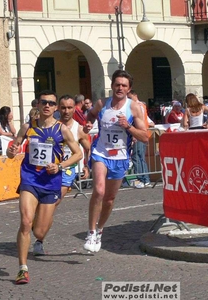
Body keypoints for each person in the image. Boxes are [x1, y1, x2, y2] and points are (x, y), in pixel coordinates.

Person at [7, 90, 83, 284]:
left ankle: (38, 229)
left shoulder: (62, 130)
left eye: (51, 103)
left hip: (50, 182)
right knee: (25, 221)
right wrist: (11, 151)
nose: (47, 106)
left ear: (55, 107)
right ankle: (22, 268)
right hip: (30, 179)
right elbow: (12, 151)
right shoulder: (27, 127)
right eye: (44, 102)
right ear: (38, 105)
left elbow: (77, 154)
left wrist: (59, 166)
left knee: (39, 232)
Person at [82, 70, 147, 252]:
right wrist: (88, 124)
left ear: (129, 88)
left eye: (124, 85)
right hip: (100, 153)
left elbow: (145, 137)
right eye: (117, 84)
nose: (120, 88)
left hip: (120, 157)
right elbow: (92, 115)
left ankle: (100, 229)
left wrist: (129, 126)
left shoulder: (134, 108)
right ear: (112, 86)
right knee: (99, 191)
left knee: (109, 199)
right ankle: (91, 231)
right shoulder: (102, 103)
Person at [32, 94, 91, 256]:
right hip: (46, 169)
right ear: (58, 108)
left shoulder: (78, 129)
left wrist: (86, 166)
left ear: (74, 109)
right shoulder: (51, 125)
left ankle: (39, 240)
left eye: (70, 107)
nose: (66, 111)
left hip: (67, 171)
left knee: (53, 204)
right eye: (63, 107)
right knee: (40, 206)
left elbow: (87, 148)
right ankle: (38, 226)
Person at [127, 89, 152, 188]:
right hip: (143, 133)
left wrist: (134, 134)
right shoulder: (142, 105)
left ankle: (142, 179)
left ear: (134, 95)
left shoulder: (137, 106)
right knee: (140, 157)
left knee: (137, 157)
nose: (128, 100)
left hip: (140, 134)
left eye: (129, 97)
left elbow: (139, 121)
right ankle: (145, 179)